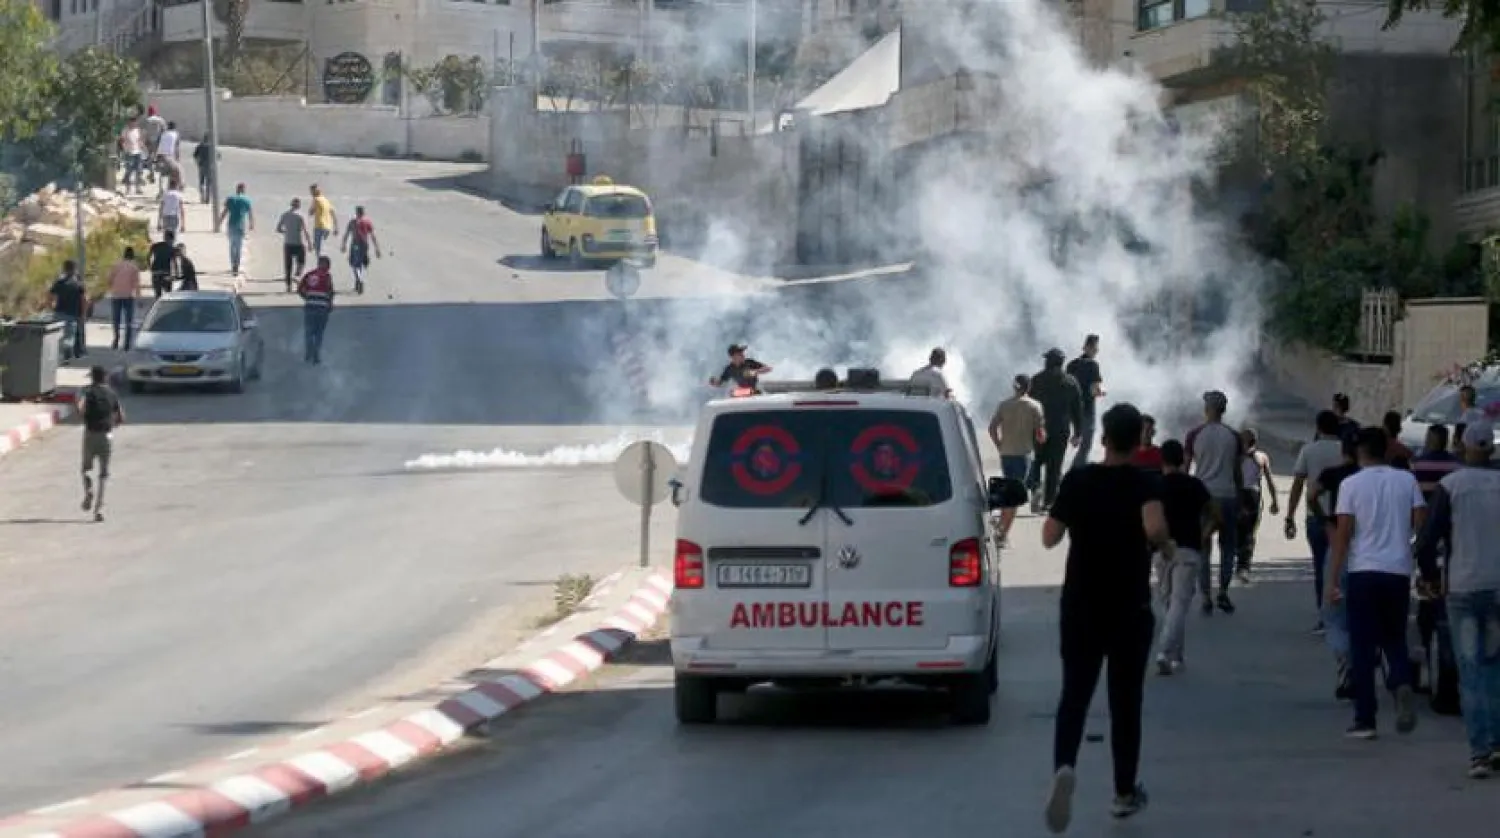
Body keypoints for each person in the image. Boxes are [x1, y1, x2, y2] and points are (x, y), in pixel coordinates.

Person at [1042, 403, 1165, 831]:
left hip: (1081, 605)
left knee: (1074, 694)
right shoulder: (1145, 482)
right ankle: (1123, 793)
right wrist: (1164, 545)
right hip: (1129, 606)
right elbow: (1153, 528)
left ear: (1104, 439)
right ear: (1139, 440)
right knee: (1125, 703)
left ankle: (1064, 766)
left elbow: (1049, 537)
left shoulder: (1078, 480)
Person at [1325, 427, 1426, 740]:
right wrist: (1409, 550)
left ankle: (1365, 719)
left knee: (1363, 647)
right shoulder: (1406, 480)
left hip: (1363, 571)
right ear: (1386, 450)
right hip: (1397, 570)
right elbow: (1421, 521)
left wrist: (1333, 579)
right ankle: (1402, 682)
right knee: (1394, 638)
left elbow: (1343, 533)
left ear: (1359, 452)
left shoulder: (1351, 484)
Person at [1415, 419, 1500, 777]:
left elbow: (1426, 542)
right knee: (1495, 667)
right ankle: (1495, 743)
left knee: (1470, 670)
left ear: (1463, 448)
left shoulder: (1451, 487)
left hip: (1463, 587)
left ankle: (1479, 750)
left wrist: (1432, 580)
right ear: (1492, 449)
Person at [1152, 438, 1215, 676]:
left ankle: (1164, 652)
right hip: (1189, 550)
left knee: (1171, 603)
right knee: (1176, 606)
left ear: (1162, 460)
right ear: (1183, 460)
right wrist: (1204, 534)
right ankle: (1175, 653)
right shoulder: (1195, 485)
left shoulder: (1155, 486)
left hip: (1162, 550)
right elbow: (1214, 514)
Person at [1284, 410, 1348, 632]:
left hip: (1317, 517)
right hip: (1343, 518)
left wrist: (1289, 516)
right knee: (1343, 565)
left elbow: (1298, 484)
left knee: (1321, 566)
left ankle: (1325, 615)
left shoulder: (1309, 450)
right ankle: (1342, 612)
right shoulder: (1345, 451)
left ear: (1319, 428)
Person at [1308, 436, 1361, 700]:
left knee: (1334, 614)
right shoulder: (1369, 477)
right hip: (1370, 551)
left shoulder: (1334, 475)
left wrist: (1325, 521)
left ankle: (1346, 667)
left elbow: (1312, 495)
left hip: (1340, 543)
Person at [1185, 390, 1244, 614]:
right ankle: (1223, 592)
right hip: (1227, 495)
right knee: (1228, 546)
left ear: (1206, 409)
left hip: (1202, 497)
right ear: (1224, 410)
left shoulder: (1194, 435)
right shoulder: (1233, 436)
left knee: (1203, 547)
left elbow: (1186, 468)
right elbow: (1237, 471)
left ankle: (1206, 596)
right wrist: (1240, 497)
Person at [988, 373, 1045, 546]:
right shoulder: (1035, 406)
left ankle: (1001, 525)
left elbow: (992, 428)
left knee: (1009, 491)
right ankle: (1003, 534)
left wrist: (1000, 445)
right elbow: (1040, 435)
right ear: (1029, 387)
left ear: (1014, 387)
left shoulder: (1004, 405)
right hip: (1023, 454)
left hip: (1006, 453)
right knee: (1015, 495)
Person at [1027, 347, 1083, 515]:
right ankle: (1048, 502)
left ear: (1048, 361)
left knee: (1037, 461)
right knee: (1054, 466)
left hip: (1040, 428)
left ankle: (1035, 487)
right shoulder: (1071, 382)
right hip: (1061, 430)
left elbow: (1028, 405)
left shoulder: (1036, 380)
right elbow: (1077, 409)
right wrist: (1078, 432)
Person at [79, 365, 125, 523]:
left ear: (92, 377)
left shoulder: (87, 392)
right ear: (105, 378)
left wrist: (85, 417)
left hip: (90, 433)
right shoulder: (112, 394)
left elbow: (80, 408)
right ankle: (99, 510)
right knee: (104, 474)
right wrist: (112, 424)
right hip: (107, 435)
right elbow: (121, 417)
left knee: (86, 469)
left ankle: (88, 491)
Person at [1236, 428, 1280, 583]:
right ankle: (1243, 567)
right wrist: (1275, 501)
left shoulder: (1236, 457)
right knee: (1248, 533)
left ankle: (1242, 565)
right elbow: (1269, 481)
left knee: (1241, 532)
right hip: (1253, 497)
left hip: (1240, 496)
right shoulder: (1261, 457)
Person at [1065, 334, 1105, 470]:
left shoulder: (1071, 365)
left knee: (1075, 439)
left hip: (1071, 410)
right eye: (1095, 347)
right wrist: (1101, 392)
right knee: (1086, 444)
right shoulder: (1093, 365)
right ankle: (1075, 471)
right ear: (1089, 347)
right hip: (1087, 410)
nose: (1097, 350)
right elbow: (1095, 390)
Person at [297, 255, 336, 364]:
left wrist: (307, 297)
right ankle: (316, 354)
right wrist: (330, 304)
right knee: (319, 332)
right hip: (322, 308)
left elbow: (299, 289)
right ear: (327, 266)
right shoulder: (327, 276)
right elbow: (330, 292)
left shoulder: (309, 275)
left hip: (310, 307)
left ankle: (309, 352)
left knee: (309, 331)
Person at [49, 260, 88, 361]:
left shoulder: (59, 283)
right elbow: (84, 300)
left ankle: (58, 353)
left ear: (64, 269)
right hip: (72, 314)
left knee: (57, 335)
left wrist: (51, 306)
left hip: (58, 312)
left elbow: (50, 296)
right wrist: (83, 314)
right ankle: (67, 351)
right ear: (75, 270)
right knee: (70, 336)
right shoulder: (78, 284)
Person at [341, 205, 382, 295]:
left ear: (356, 212)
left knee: (354, 264)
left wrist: (343, 245)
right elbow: (373, 236)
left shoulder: (353, 222)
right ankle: (358, 281)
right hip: (364, 245)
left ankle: (359, 280)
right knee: (360, 264)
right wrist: (377, 249)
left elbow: (347, 234)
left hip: (355, 245)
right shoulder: (367, 222)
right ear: (363, 213)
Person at [106, 247, 142, 351]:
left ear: (124, 254)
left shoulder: (116, 265)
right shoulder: (134, 267)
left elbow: (109, 279)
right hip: (128, 296)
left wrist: (112, 289)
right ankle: (126, 344)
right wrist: (139, 298)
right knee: (129, 321)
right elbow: (136, 284)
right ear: (133, 255)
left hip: (116, 295)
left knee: (116, 319)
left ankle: (116, 339)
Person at [218, 182, 254, 276]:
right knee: (239, 247)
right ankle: (236, 266)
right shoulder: (247, 200)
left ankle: (233, 264)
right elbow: (250, 214)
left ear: (236, 189)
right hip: (241, 226)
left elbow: (225, 212)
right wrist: (251, 224)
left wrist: (219, 222)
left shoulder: (230, 199)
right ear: (244, 190)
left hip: (231, 225)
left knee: (232, 246)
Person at [277, 198, 312, 292]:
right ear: (299, 206)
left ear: (291, 204)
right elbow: (306, 231)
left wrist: (286, 232)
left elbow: (278, 229)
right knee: (301, 261)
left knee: (288, 266)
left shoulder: (284, 215)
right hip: (299, 242)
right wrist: (309, 243)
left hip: (288, 243)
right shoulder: (301, 216)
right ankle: (297, 274)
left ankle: (288, 286)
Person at [309, 184, 338, 256]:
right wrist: (336, 227)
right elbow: (333, 213)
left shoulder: (316, 199)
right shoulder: (326, 200)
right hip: (328, 228)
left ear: (313, 191)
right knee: (323, 247)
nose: (311, 193)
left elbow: (310, 212)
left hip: (319, 226)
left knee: (318, 250)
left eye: (311, 191)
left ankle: (319, 264)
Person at [119, 117, 145, 195]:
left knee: (139, 171)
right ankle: (128, 189)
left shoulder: (137, 130)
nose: (133, 124)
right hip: (129, 153)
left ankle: (138, 188)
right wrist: (124, 149)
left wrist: (142, 147)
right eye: (131, 122)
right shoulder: (125, 130)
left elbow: (140, 140)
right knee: (129, 171)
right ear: (129, 122)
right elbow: (121, 140)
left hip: (138, 153)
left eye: (135, 123)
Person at [147, 231, 177, 298]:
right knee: (168, 294)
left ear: (165, 237)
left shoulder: (155, 246)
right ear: (171, 239)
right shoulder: (172, 249)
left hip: (156, 272)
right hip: (166, 273)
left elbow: (148, 256)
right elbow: (174, 263)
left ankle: (159, 306)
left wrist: (150, 266)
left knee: (158, 294)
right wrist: (175, 275)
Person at [192, 134, 215, 204]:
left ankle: (202, 198)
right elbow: (218, 157)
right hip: (210, 167)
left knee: (202, 182)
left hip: (201, 166)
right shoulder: (212, 147)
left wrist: (197, 163)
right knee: (209, 183)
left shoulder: (200, 146)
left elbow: (195, 156)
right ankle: (207, 199)